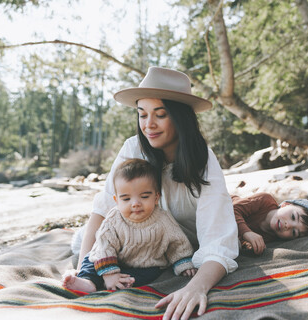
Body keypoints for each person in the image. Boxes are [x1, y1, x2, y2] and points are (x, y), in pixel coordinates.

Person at [74, 67, 239, 320]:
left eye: (160, 115)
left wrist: (195, 287)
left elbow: (219, 239)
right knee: (84, 242)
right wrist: (83, 270)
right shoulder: (133, 148)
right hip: (129, 240)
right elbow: (105, 208)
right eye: (142, 115)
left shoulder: (202, 160)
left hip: (176, 251)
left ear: (180, 117)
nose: (148, 125)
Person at [63, 158, 197, 293]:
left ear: (156, 197)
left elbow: (177, 242)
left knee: (145, 276)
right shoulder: (114, 218)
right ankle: (88, 281)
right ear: (117, 200)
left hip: (145, 265)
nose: (135, 203)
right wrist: (109, 273)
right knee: (91, 259)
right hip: (111, 258)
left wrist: (183, 262)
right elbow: (104, 245)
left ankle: (119, 283)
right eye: (126, 199)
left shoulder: (163, 219)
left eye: (144, 196)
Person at [232, 193, 308, 255]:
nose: (288, 225)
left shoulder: (271, 238)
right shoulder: (265, 200)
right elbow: (230, 209)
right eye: (293, 217)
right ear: (286, 204)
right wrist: (246, 232)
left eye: (294, 232)